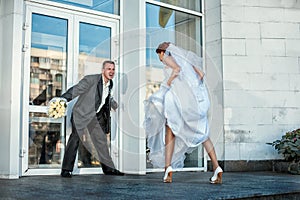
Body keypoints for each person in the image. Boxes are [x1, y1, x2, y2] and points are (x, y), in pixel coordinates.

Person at [144, 42, 223, 183]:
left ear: (162, 52)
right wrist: (191, 89)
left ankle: (167, 168)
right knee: (204, 135)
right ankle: (217, 167)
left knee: (170, 130)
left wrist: (170, 82)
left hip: (178, 100)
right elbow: (201, 75)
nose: (159, 58)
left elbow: (177, 69)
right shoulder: (187, 61)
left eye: (158, 54)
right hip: (194, 102)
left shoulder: (167, 58)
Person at [60, 60, 124, 177]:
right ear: (103, 70)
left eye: (113, 69)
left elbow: (104, 97)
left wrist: (113, 103)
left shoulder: (110, 84)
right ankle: (66, 170)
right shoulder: (91, 80)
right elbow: (76, 90)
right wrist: (62, 99)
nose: (111, 71)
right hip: (81, 114)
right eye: (109, 69)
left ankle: (109, 169)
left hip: (95, 116)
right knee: (75, 138)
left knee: (101, 142)